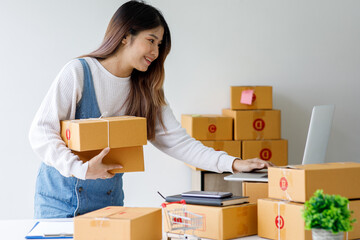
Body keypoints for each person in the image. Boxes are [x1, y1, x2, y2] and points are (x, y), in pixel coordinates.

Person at [29, 0, 273, 219]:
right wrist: (80, 168)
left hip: (109, 207)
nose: (156, 53)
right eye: (151, 40)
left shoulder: (147, 89)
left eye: (160, 44)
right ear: (125, 35)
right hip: (60, 205)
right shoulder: (78, 73)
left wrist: (234, 163)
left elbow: (179, 143)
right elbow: (41, 133)